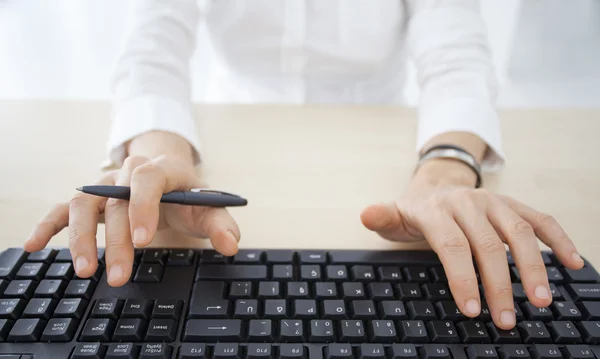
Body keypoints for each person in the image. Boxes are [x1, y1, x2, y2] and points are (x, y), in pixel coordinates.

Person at [24, 0, 583, 331]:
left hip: (379, 136)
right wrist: (161, 153)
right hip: (232, 132)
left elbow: (457, 53)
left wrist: (446, 171)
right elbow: (153, 46)